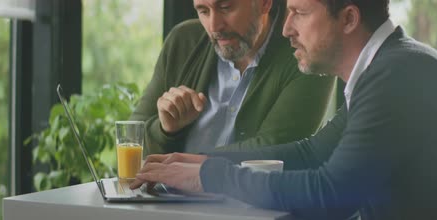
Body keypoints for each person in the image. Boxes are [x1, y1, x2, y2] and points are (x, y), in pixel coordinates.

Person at [131, 0, 437, 219]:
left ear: (348, 19)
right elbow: (312, 152)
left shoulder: (395, 77)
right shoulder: (388, 67)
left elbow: (330, 196)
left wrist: (211, 176)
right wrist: (202, 162)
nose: (286, 29)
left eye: (299, 12)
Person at [130, 0, 336, 154]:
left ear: (264, 3)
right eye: (203, 10)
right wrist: (166, 129)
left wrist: (185, 167)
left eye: (226, 7)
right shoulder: (183, 40)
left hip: (256, 210)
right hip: (169, 206)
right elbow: (130, 139)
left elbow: (275, 152)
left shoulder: (307, 56)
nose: (214, 26)